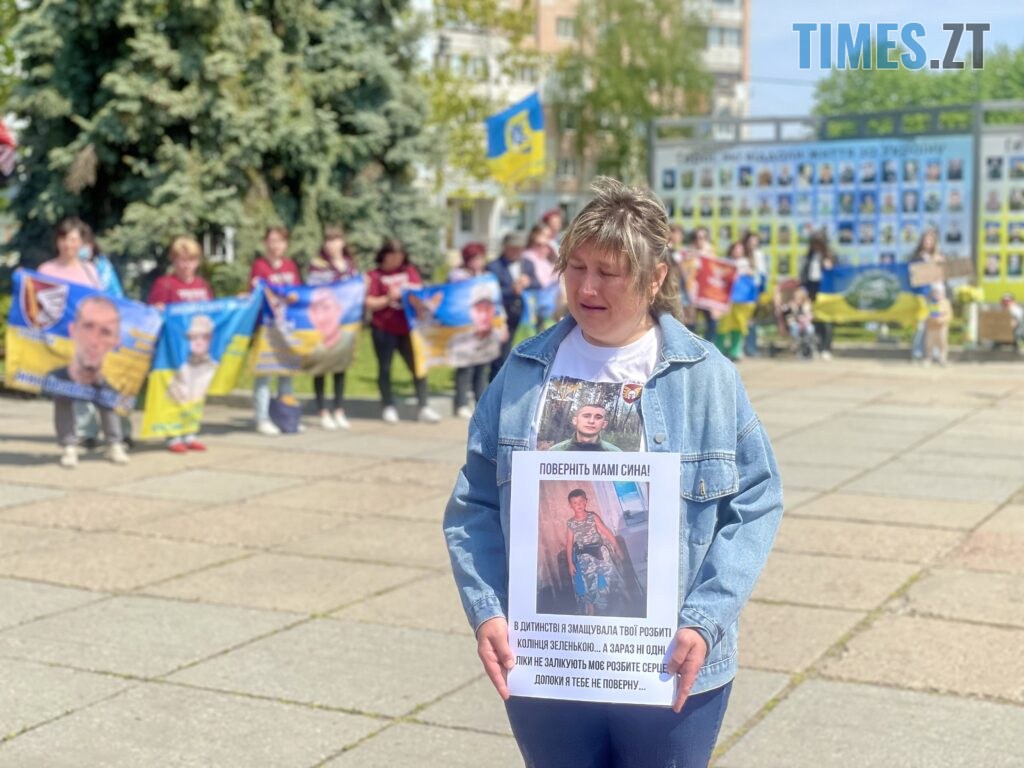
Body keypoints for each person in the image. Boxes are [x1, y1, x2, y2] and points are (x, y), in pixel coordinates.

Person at [443, 177, 783, 767]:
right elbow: (474, 503)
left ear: (654, 278)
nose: (586, 287)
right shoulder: (523, 372)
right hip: (548, 668)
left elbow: (756, 502)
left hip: (669, 667)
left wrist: (705, 620)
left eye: (609, 272)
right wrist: (488, 609)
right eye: (575, 267)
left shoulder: (706, 377)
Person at [41, 294, 128, 468]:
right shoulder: (55, 372)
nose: (94, 339)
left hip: (103, 370)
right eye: (88, 326)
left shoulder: (113, 373)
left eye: (105, 331)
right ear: (74, 329)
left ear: (115, 340)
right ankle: (68, 446)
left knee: (108, 400)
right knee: (63, 398)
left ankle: (114, 443)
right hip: (67, 363)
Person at [148, 236, 216, 451]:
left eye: (191, 260)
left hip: (197, 351)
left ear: (198, 261)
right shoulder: (165, 284)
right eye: (181, 259)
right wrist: (157, 309)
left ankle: (190, 431)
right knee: (176, 390)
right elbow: (153, 313)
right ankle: (173, 434)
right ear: (174, 260)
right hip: (172, 350)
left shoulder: (202, 285)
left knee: (196, 390)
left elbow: (213, 312)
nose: (186, 265)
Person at [365, 239, 441, 424]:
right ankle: (388, 406)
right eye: (392, 256)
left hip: (409, 329)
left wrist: (415, 296)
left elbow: (420, 294)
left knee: (418, 365)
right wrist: (387, 298)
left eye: (399, 256)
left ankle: (423, 406)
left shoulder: (409, 271)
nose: (396, 260)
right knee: (385, 368)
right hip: (384, 328)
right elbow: (368, 302)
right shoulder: (375, 275)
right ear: (384, 256)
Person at [249, 227, 302, 435]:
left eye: (279, 241)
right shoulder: (259, 266)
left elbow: (298, 291)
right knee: (265, 373)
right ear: (265, 243)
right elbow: (257, 292)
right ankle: (261, 418)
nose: (275, 245)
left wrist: (294, 297)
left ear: (285, 244)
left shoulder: (290, 266)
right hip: (267, 327)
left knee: (286, 372)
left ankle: (285, 416)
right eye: (271, 241)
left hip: (287, 327)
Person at [305, 226, 358, 430]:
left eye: (335, 240)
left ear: (343, 242)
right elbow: (313, 290)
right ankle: (323, 411)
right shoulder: (317, 265)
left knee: (340, 366)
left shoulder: (350, 265)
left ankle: (339, 409)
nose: (332, 244)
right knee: (321, 366)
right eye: (328, 240)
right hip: (324, 323)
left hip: (345, 322)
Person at [448, 243, 505, 418]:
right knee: (465, 367)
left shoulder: (487, 277)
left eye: (480, 258)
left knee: (481, 366)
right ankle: (461, 403)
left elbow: (496, 302)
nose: (478, 262)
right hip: (465, 329)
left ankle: (480, 402)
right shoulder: (457, 277)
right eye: (474, 258)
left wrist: (501, 324)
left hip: (484, 327)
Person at [564, 488, 626, 616]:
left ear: (586, 501)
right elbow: (569, 543)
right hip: (584, 557)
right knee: (589, 583)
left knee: (611, 577)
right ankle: (590, 607)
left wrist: (617, 547)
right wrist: (570, 563)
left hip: (600, 552)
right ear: (570, 505)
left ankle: (616, 599)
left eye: (581, 501)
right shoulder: (571, 523)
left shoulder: (592, 516)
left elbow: (606, 531)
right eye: (575, 502)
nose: (579, 504)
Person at [487, 231, 539, 379]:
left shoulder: (527, 264)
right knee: (501, 357)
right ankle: (496, 385)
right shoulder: (493, 266)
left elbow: (538, 285)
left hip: (526, 317)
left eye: (520, 248)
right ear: (505, 247)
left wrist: (529, 282)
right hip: (503, 317)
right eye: (513, 248)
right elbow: (490, 293)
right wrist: (511, 290)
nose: (517, 251)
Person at [799, 231, 837, 359]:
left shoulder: (830, 255)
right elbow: (804, 273)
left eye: (818, 243)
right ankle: (817, 345)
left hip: (826, 291)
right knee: (814, 319)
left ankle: (826, 347)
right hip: (812, 289)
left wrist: (830, 266)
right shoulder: (809, 256)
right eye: (813, 243)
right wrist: (803, 287)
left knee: (826, 319)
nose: (816, 246)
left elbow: (837, 272)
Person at [908, 229, 944, 363]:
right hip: (922, 296)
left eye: (930, 240)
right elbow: (913, 275)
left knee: (934, 323)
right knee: (921, 324)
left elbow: (942, 276)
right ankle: (917, 351)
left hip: (935, 296)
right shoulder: (916, 257)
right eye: (925, 240)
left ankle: (934, 352)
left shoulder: (939, 256)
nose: (927, 242)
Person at [522, 223, 560, 331]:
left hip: (553, 302)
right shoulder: (528, 257)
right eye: (539, 244)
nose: (544, 247)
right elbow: (536, 282)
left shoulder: (547, 257)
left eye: (548, 237)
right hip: (539, 304)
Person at [548, 402, 622, 451]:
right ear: (575, 421)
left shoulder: (615, 454)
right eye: (586, 416)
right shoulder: (556, 451)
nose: (591, 421)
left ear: (604, 424)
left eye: (598, 417)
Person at [741, 231, 767, 357]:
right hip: (742, 292)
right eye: (751, 242)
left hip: (754, 290)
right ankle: (740, 348)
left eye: (755, 242)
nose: (753, 244)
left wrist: (761, 291)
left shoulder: (759, 255)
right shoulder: (742, 255)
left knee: (752, 320)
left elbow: (763, 274)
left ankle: (751, 347)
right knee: (741, 320)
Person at [924, 283, 952, 366]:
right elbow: (925, 314)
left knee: (942, 344)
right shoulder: (929, 303)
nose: (936, 294)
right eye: (934, 292)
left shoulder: (946, 303)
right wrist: (930, 318)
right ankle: (928, 359)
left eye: (938, 292)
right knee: (929, 344)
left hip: (942, 328)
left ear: (942, 293)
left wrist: (941, 320)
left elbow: (949, 315)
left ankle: (942, 359)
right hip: (931, 328)